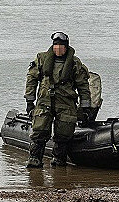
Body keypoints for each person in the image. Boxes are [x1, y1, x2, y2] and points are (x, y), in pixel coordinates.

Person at [24, 32, 94, 169]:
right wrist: (29, 102)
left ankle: (59, 163)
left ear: (66, 46)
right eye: (56, 45)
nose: (58, 48)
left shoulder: (74, 63)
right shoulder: (42, 59)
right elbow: (31, 80)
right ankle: (34, 161)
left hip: (66, 103)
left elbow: (83, 87)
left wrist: (86, 108)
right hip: (44, 102)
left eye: (61, 45)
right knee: (39, 133)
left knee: (63, 135)